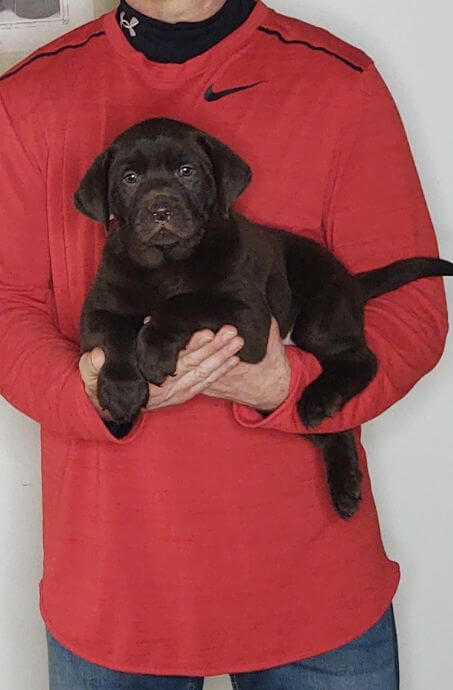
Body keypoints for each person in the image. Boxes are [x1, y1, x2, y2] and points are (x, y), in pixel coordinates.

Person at [0, 1, 447, 688]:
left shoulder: (338, 81)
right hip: (114, 592)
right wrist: (85, 390)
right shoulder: (29, 96)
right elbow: (7, 311)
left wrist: (282, 386)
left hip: (313, 590)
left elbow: (410, 315)